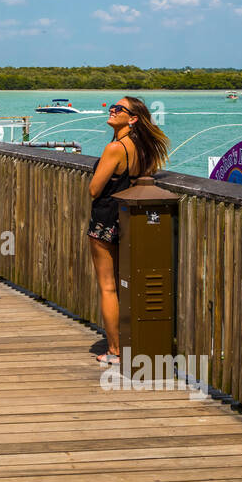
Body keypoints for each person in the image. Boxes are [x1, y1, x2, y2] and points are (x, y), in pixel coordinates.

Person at [87, 96, 170, 364]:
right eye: (112, 106)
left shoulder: (116, 148)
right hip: (128, 220)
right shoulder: (142, 148)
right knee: (125, 284)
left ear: (132, 119)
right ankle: (133, 342)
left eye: (119, 109)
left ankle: (115, 350)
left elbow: (94, 189)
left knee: (108, 286)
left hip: (105, 220)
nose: (112, 110)